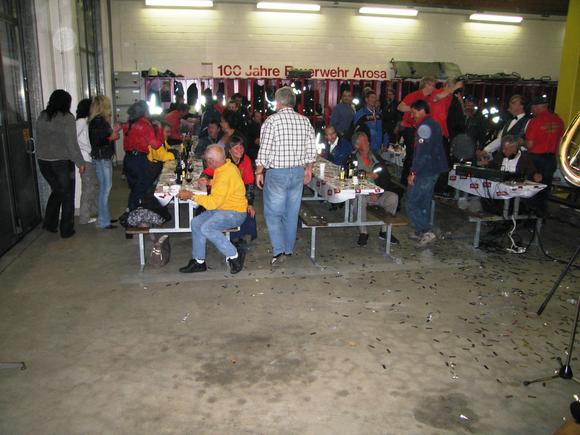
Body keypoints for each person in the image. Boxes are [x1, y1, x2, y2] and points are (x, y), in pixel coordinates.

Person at [256, 86, 317, 265]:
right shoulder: (305, 121)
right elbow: (311, 149)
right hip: (297, 172)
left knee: (273, 213)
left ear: (278, 102)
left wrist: (259, 171)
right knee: (291, 213)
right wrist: (308, 169)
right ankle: (288, 249)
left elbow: (265, 150)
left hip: (277, 174)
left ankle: (278, 250)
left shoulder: (271, 121)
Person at [177, 145, 247, 274]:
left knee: (207, 228)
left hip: (235, 213)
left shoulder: (225, 174)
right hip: (223, 208)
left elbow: (212, 203)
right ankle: (199, 261)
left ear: (211, 161)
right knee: (196, 222)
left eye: (207, 161)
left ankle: (234, 255)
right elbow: (224, 186)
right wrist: (209, 183)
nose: (207, 163)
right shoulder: (227, 166)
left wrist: (191, 196)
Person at [35, 89, 86, 238]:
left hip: (43, 162)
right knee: (67, 195)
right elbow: (72, 144)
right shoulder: (67, 118)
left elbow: (38, 139)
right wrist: (80, 162)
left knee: (57, 191)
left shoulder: (42, 116)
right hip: (62, 162)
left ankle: (49, 223)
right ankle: (66, 229)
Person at [406, 100, 448, 247]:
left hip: (425, 170)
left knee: (412, 202)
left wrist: (413, 172)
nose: (412, 116)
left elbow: (422, 153)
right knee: (424, 202)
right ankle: (421, 231)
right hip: (433, 168)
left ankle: (426, 230)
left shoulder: (424, 127)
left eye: (413, 112)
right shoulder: (433, 124)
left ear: (421, 110)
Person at [201, 135, 257, 244]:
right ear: (229, 150)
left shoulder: (246, 160)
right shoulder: (223, 161)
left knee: (248, 209)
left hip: (238, 193)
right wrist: (205, 180)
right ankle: (232, 238)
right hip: (223, 193)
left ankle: (241, 236)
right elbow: (206, 173)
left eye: (241, 146)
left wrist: (250, 203)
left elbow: (249, 183)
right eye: (236, 147)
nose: (240, 150)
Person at [350, 131, 399, 246]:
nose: (368, 143)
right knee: (359, 199)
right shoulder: (352, 158)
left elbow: (386, 178)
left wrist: (378, 193)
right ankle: (363, 232)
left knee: (393, 197)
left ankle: (384, 231)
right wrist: (365, 174)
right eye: (364, 141)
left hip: (377, 193)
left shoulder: (376, 158)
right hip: (361, 193)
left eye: (367, 140)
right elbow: (349, 174)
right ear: (357, 145)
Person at [525, 95, 565, 215]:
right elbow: (561, 142)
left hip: (536, 159)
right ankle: (541, 216)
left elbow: (530, 144)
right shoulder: (558, 121)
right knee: (545, 188)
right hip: (551, 159)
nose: (531, 110)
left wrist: (521, 142)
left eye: (532, 107)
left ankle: (530, 216)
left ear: (536, 107)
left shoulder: (534, 121)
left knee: (531, 188)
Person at [123, 100, 164, 210]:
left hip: (128, 158)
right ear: (144, 111)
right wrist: (160, 129)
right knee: (141, 187)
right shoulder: (144, 124)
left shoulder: (127, 124)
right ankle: (134, 210)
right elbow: (155, 145)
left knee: (134, 187)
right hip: (139, 159)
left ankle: (132, 209)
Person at [397, 76, 437, 185]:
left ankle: (412, 179)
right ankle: (406, 181)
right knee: (412, 154)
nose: (434, 88)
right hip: (410, 128)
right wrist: (415, 109)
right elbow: (400, 107)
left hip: (420, 130)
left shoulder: (429, 98)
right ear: (426, 85)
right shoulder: (414, 95)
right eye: (432, 85)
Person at [89, 95, 121, 229]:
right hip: (102, 159)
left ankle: (104, 217)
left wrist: (113, 132)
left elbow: (100, 138)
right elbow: (98, 141)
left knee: (104, 189)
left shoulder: (97, 121)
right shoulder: (99, 121)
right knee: (105, 189)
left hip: (101, 158)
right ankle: (103, 220)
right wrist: (111, 137)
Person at [76, 98, 97, 225]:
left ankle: (91, 212)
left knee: (91, 186)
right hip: (85, 158)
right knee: (88, 188)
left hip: (87, 158)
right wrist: (85, 149)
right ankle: (84, 217)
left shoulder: (85, 121)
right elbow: (73, 139)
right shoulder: (82, 122)